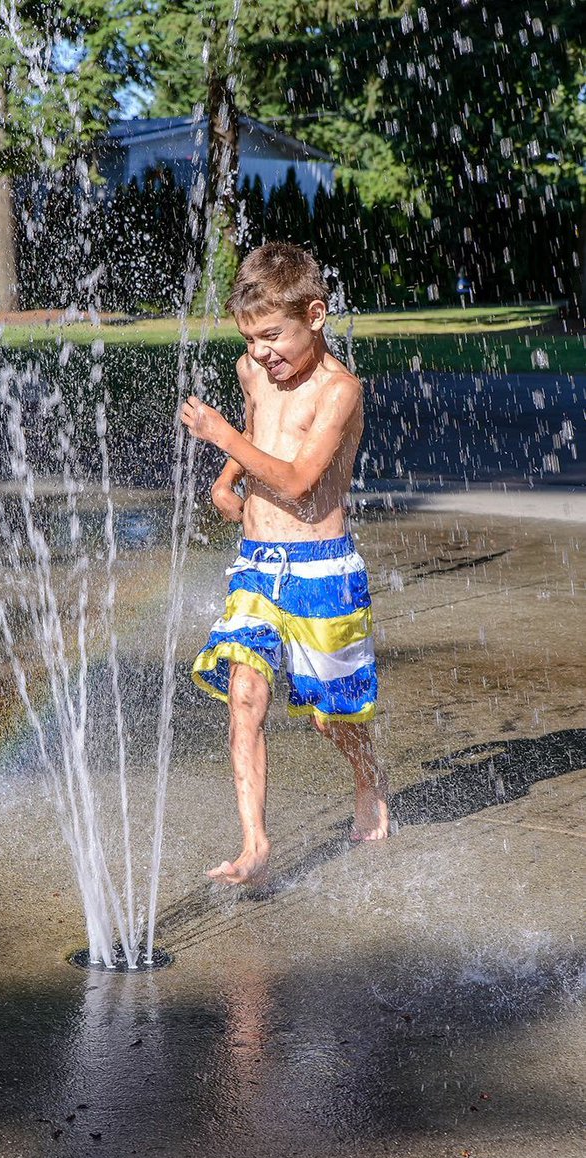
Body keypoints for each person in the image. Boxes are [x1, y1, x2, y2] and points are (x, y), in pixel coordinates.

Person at [181, 242, 389, 886]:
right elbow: (257, 433)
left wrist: (221, 437)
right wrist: (226, 477)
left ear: (315, 315)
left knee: (331, 716)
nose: (262, 353)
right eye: (250, 339)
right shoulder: (252, 371)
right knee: (245, 693)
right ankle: (255, 845)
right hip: (255, 562)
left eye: (272, 336)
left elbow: (299, 479)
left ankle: (369, 778)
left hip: (322, 567)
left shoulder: (339, 391)